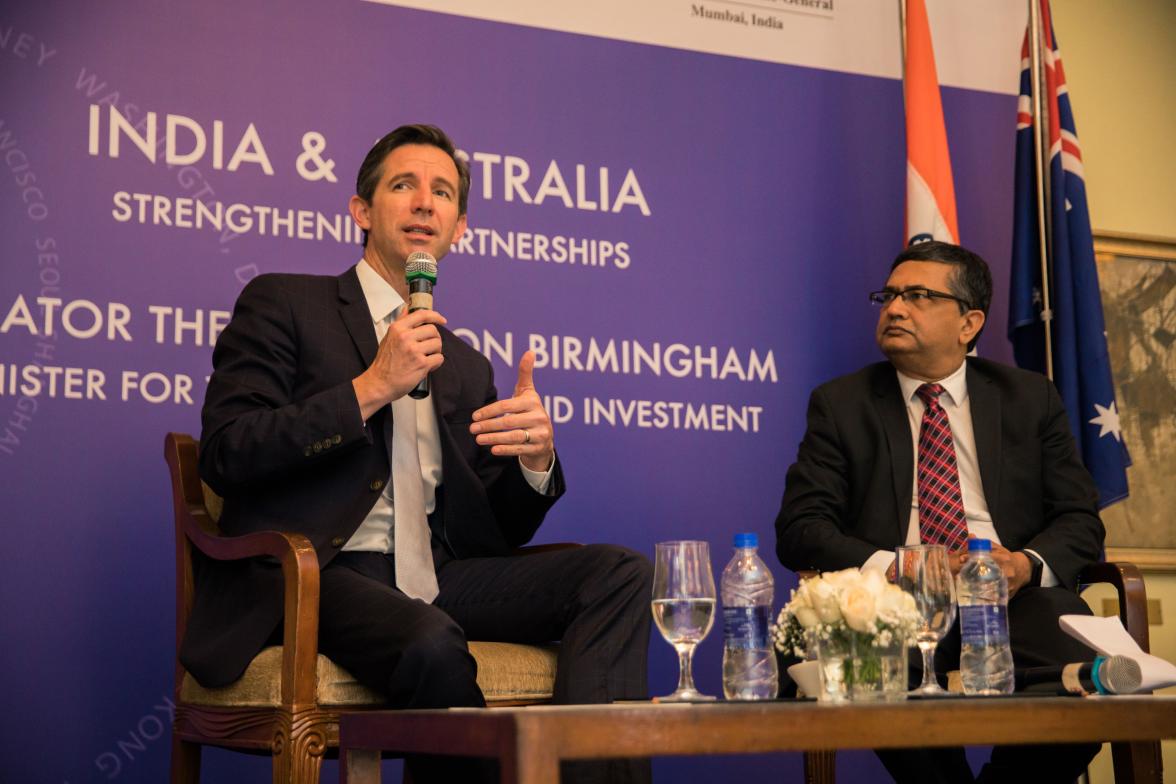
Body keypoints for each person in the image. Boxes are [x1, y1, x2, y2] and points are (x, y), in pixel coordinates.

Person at [183, 124, 651, 784]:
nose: (425, 203)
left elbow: (495, 530)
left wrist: (534, 461)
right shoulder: (285, 303)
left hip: (437, 575)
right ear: (362, 211)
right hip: (316, 574)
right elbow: (228, 452)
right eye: (404, 186)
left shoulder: (463, 364)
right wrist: (372, 387)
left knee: (620, 573)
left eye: (444, 193)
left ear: (460, 227)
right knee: (431, 641)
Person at [775, 241, 1103, 783]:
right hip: (892, 604)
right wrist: (907, 566)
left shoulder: (1029, 397)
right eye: (890, 295)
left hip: (1011, 598)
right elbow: (801, 529)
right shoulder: (842, 404)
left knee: (1091, 677)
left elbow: (1080, 517)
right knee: (873, 674)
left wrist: (1025, 565)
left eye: (919, 296)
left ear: (969, 323)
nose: (895, 308)